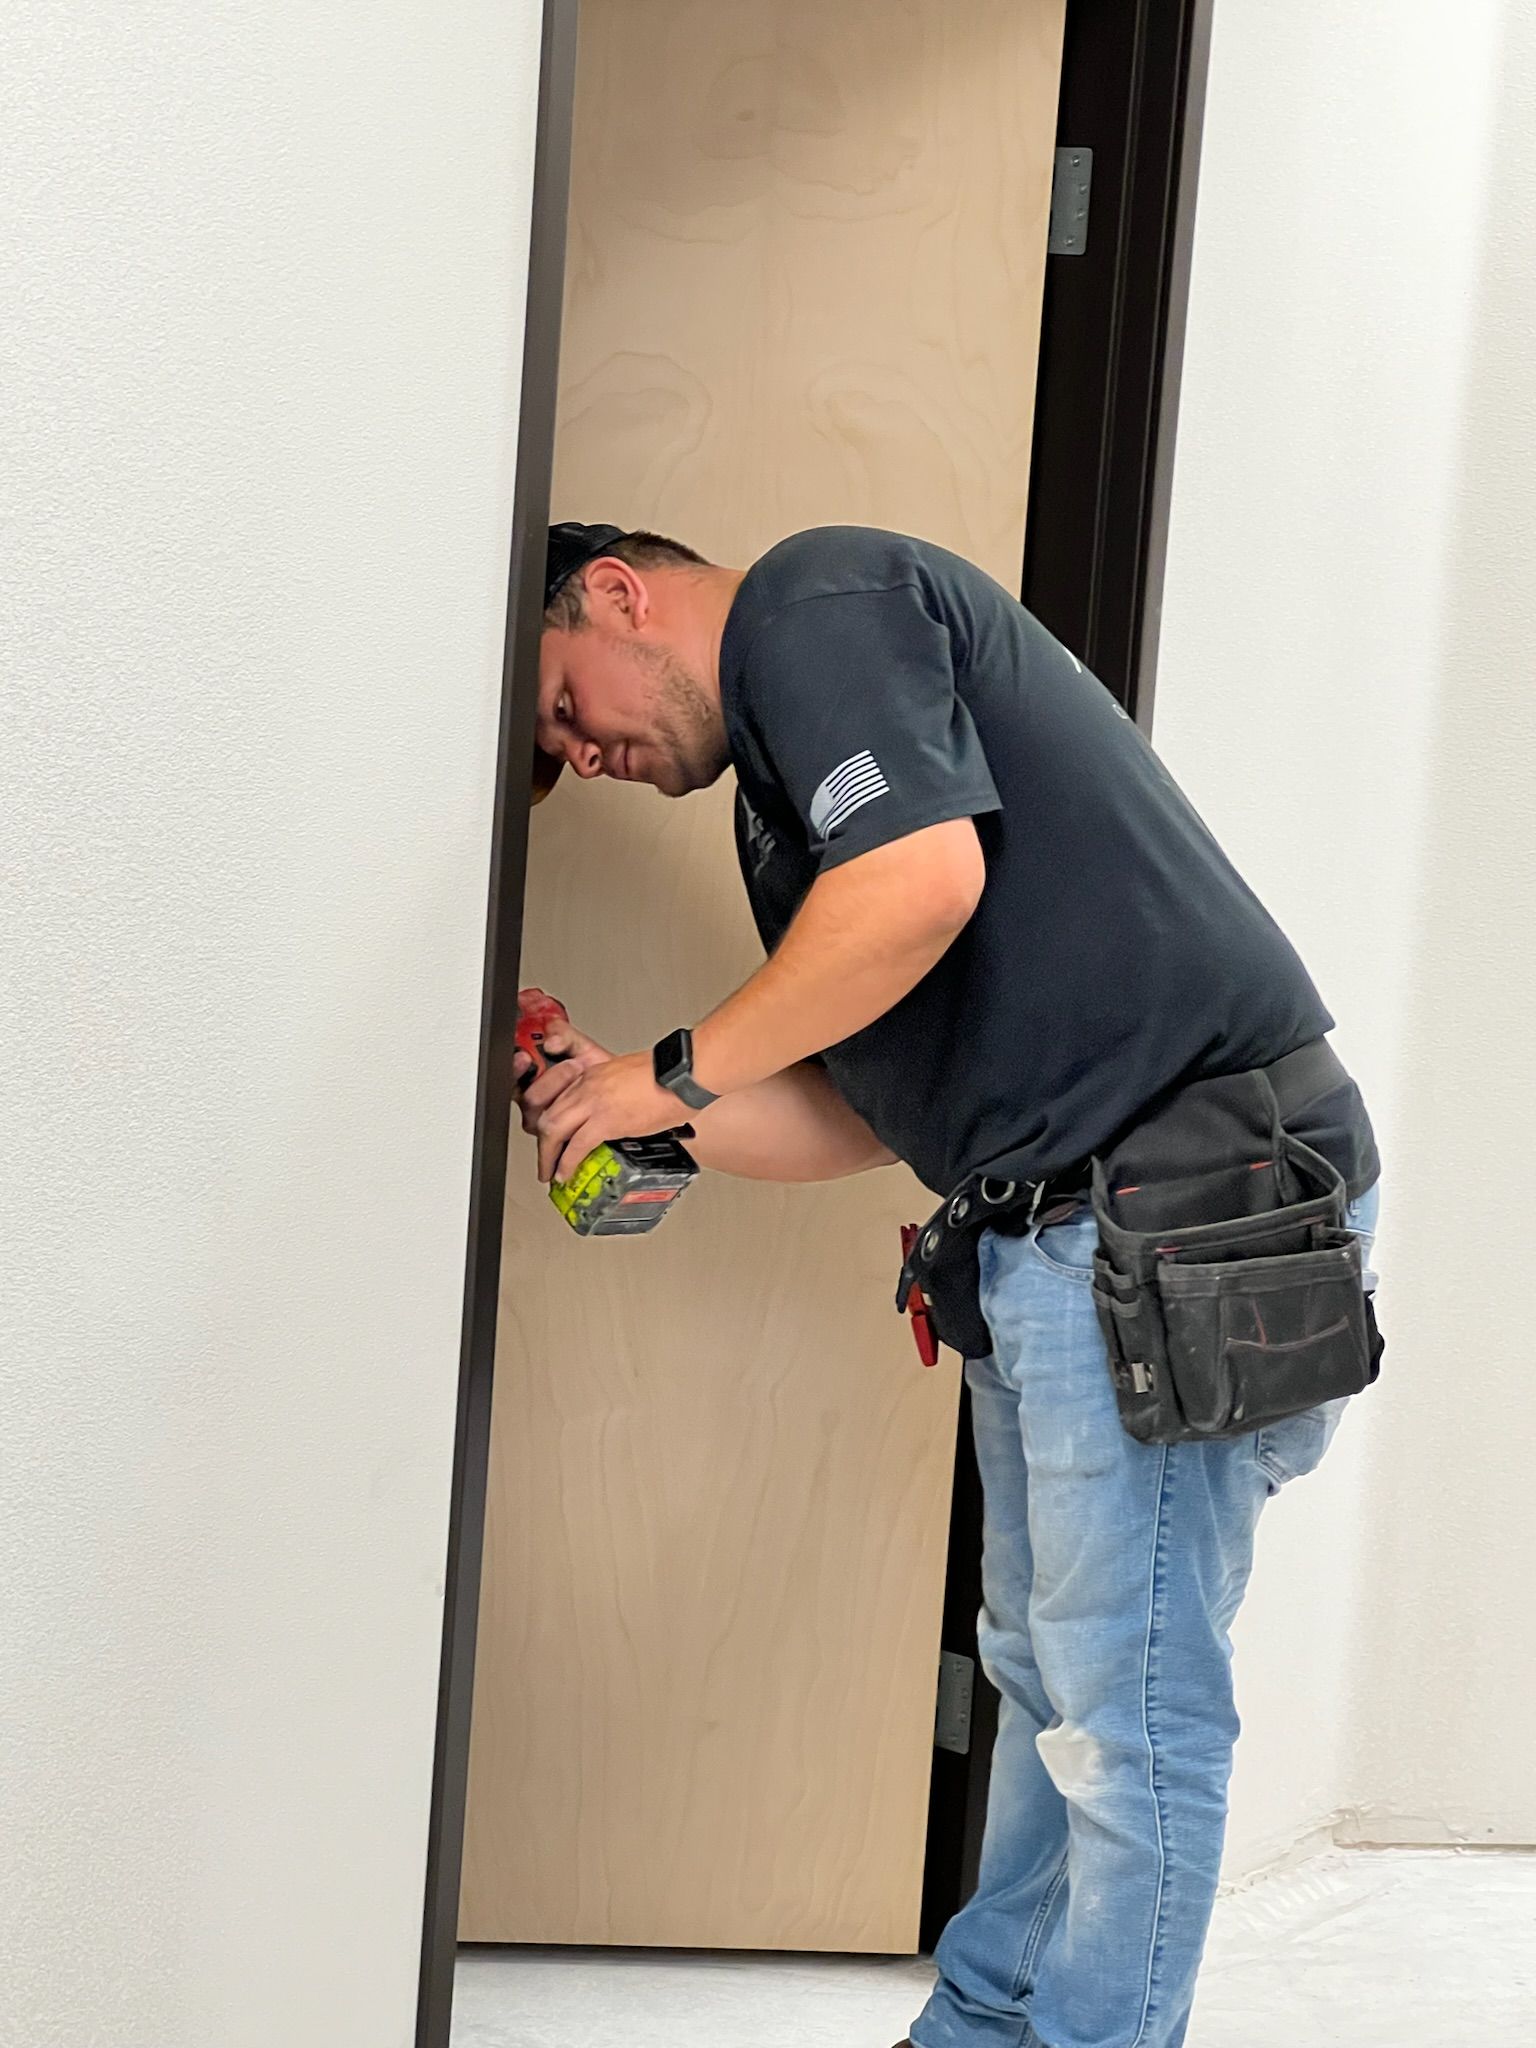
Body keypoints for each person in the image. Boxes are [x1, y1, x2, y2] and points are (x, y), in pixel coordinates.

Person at [518, 520, 1380, 2048]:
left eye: (564, 707)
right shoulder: (786, 814)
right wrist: (652, 1114)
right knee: (1053, 1681)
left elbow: (922, 879)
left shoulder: (816, 600)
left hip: (1181, 1201)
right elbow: (862, 1106)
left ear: (617, 593)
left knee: (1129, 1711)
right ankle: (982, 2025)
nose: (579, 755)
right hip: (1070, 1227)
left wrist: (671, 1071)